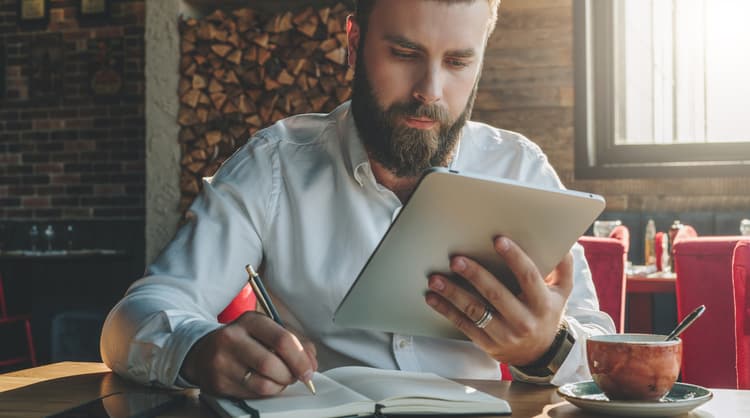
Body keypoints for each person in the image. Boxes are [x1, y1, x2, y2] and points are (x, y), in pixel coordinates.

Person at [100, 0, 615, 399]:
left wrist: (547, 347)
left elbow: (602, 350)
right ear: (353, 41)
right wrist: (195, 350)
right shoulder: (274, 165)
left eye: (458, 61)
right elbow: (135, 318)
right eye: (405, 54)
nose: (430, 90)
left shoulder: (519, 169)